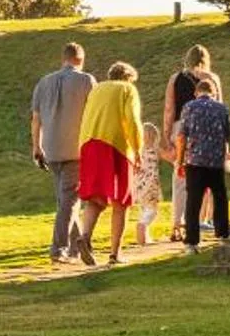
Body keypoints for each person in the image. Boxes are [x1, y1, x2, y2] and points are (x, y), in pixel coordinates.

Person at [69, 60, 144, 267]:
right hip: (116, 146)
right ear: (128, 77)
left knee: (96, 199)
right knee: (122, 201)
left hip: (89, 144)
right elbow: (133, 120)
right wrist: (138, 149)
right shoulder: (127, 89)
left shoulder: (97, 89)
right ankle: (115, 253)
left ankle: (84, 236)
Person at [30, 41, 95, 263]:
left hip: (51, 148)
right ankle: (58, 248)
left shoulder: (43, 82)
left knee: (65, 201)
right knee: (69, 202)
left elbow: (36, 119)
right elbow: (93, 114)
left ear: (63, 58)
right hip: (75, 150)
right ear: (81, 60)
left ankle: (78, 248)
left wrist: (36, 147)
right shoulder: (86, 81)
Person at [175, 69, 230, 250]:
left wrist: (179, 159)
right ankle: (222, 233)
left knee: (193, 200)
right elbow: (227, 136)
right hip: (215, 161)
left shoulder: (189, 107)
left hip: (195, 160)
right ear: (213, 93)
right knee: (220, 197)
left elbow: (181, 136)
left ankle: (192, 242)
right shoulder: (222, 108)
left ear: (196, 92)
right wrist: (226, 156)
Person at [162, 42, 211, 243]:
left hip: (180, 128)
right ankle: (199, 222)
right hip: (205, 128)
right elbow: (220, 106)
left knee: (180, 178)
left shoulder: (175, 79)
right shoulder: (211, 78)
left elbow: (169, 109)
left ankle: (177, 225)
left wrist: (166, 136)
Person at [131, 119, 164, 247]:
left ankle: (144, 238)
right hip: (151, 184)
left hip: (139, 183)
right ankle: (142, 225)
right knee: (152, 211)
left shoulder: (137, 151)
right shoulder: (155, 149)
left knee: (144, 208)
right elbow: (169, 157)